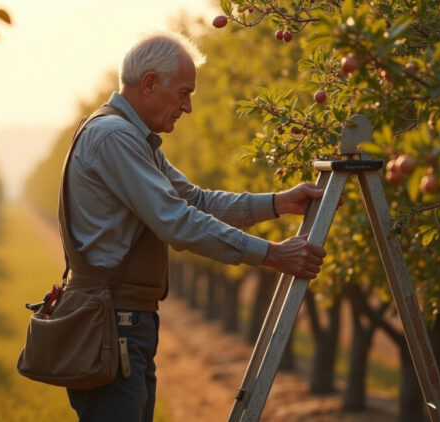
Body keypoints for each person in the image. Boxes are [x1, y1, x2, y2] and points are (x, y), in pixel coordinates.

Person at [62, 30, 326, 421]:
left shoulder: (134, 137)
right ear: (150, 83)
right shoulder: (116, 137)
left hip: (124, 322)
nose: (187, 107)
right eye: (184, 93)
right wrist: (271, 254)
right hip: (112, 324)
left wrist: (277, 203)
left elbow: (194, 201)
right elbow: (177, 222)